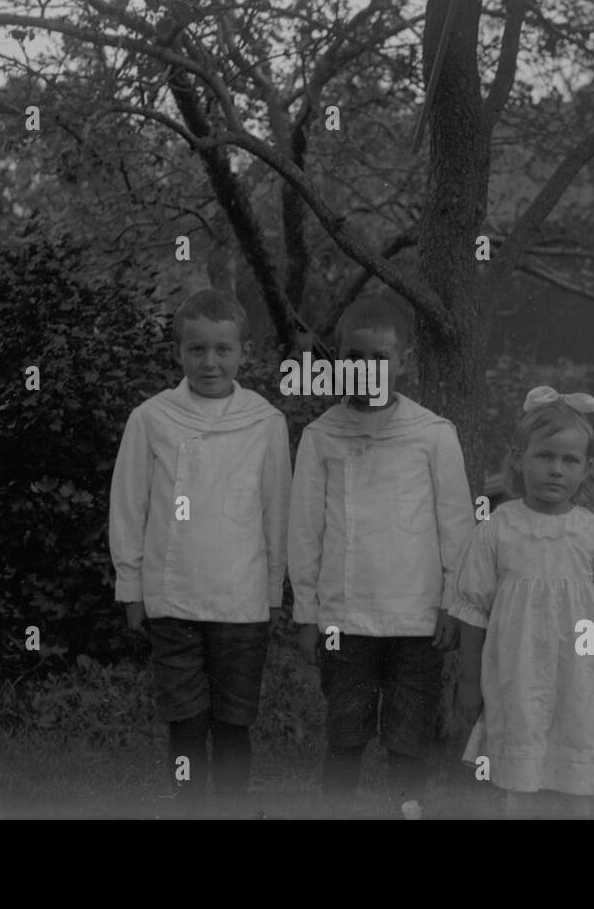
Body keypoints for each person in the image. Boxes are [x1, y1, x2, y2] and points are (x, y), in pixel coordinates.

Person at [288, 296, 473, 819]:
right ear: (337, 361)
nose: (364, 369)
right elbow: (304, 532)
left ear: (403, 362)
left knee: (408, 741)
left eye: (379, 358)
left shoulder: (433, 436)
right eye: (353, 357)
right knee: (344, 736)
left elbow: (456, 525)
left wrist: (452, 602)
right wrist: (307, 614)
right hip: (345, 620)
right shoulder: (321, 436)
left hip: (417, 621)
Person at [108, 288, 290, 806]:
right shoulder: (151, 419)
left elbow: (276, 514)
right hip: (173, 600)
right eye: (196, 350)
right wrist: (132, 587)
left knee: (233, 725)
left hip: (242, 601)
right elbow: (129, 507)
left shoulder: (265, 422)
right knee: (186, 725)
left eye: (222, 350)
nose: (210, 362)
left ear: (243, 354)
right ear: (178, 353)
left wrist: (272, 593)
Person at [450, 385, 594, 818]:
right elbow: (473, 612)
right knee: (522, 785)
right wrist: (469, 682)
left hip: (581, 682)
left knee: (577, 790)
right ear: (518, 458)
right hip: (518, 679)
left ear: (586, 470)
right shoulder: (498, 529)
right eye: (544, 456)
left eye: (569, 461)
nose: (556, 470)